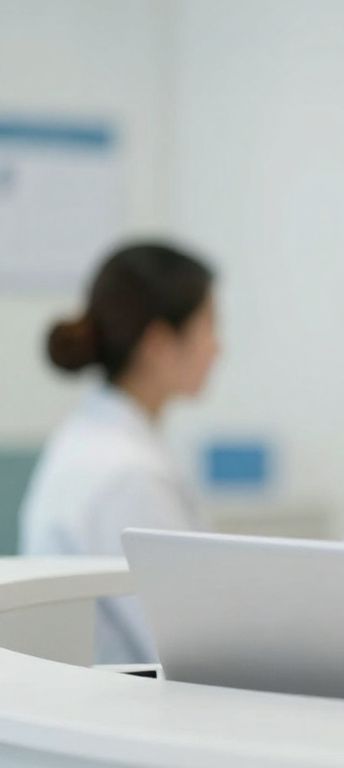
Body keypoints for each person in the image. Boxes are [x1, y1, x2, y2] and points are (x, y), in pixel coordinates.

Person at [21, 242, 219, 664]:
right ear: (160, 343)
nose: (218, 347)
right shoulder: (126, 474)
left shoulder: (94, 440)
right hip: (120, 711)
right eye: (208, 325)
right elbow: (192, 648)